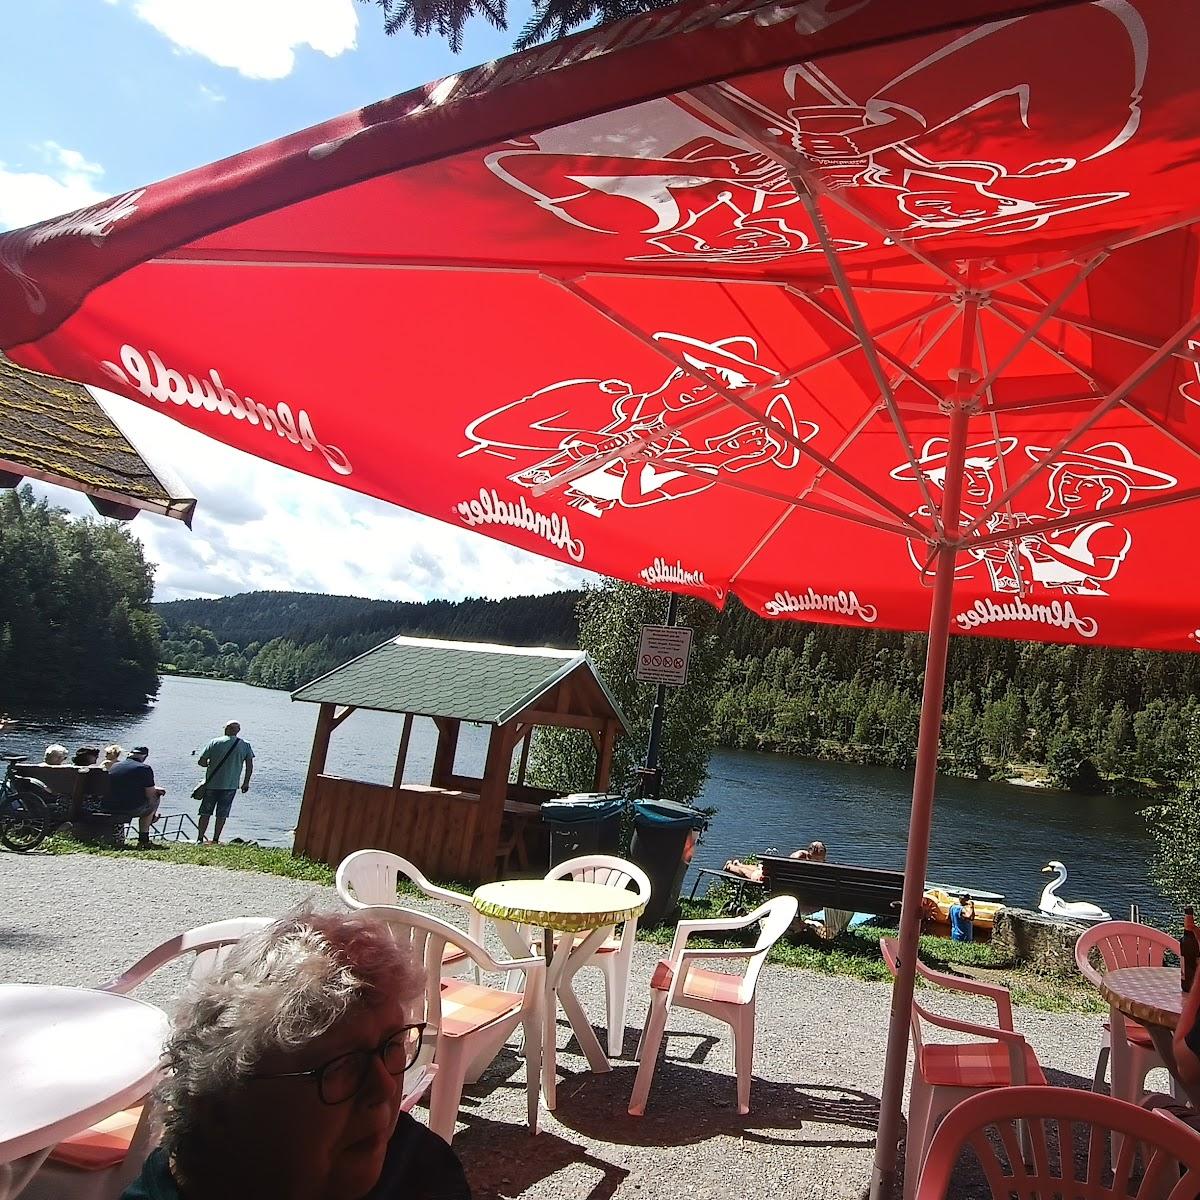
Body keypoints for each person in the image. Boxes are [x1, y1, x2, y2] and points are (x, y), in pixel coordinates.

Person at [121, 910, 471, 1200]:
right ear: (223, 1103)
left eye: (391, 1045)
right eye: (343, 1065)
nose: (383, 1087)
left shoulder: (415, 1164)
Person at [196, 720, 254, 845]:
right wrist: (246, 783)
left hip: (212, 784)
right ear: (237, 731)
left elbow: (201, 761)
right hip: (230, 785)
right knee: (222, 814)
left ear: (226, 729)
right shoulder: (245, 745)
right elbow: (249, 766)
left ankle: (200, 838)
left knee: (205, 812)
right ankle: (216, 839)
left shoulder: (214, 742)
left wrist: (210, 764)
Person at [104, 745, 164, 849]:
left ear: (129, 754)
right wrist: (155, 795)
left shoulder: (115, 766)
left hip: (108, 806)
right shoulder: (144, 768)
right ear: (144, 757)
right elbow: (150, 795)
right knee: (155, 797)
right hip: (129, 809)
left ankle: (150, 819)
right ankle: (143, 839)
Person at [724, 840, 828, 884]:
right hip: (773, 879)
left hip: (775, 879)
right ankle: (731, 866)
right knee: (756, 872)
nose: (823, 862)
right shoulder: (802, 859)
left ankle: (737, 864)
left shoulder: (801, 858)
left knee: (759, 870)